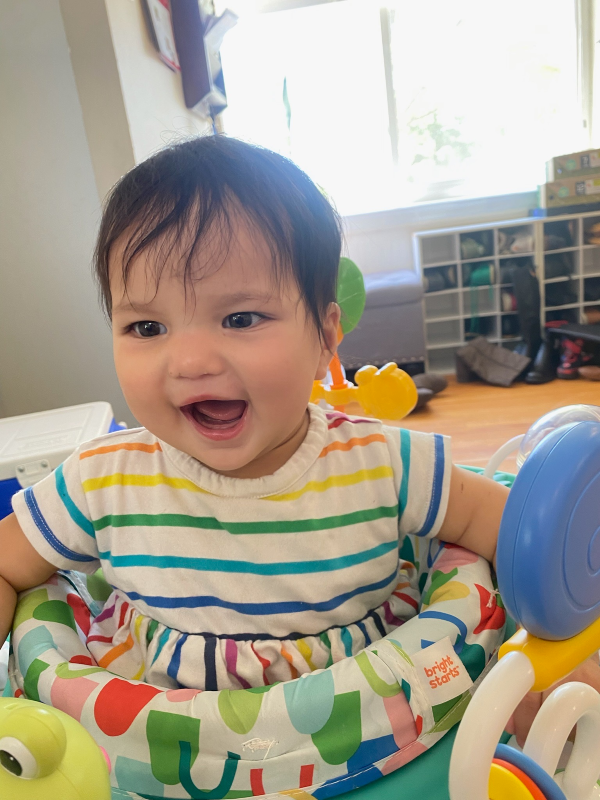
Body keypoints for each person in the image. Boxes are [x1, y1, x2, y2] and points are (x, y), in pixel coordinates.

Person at [0, 136, 595, 740]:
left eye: (240, 318)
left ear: (325, 339)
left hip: (370, 739)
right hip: (164, 754)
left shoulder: (383, 463)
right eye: (146, 326)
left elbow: (524, 536)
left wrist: (561, 653)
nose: (189, 361)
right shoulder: (102, 479)